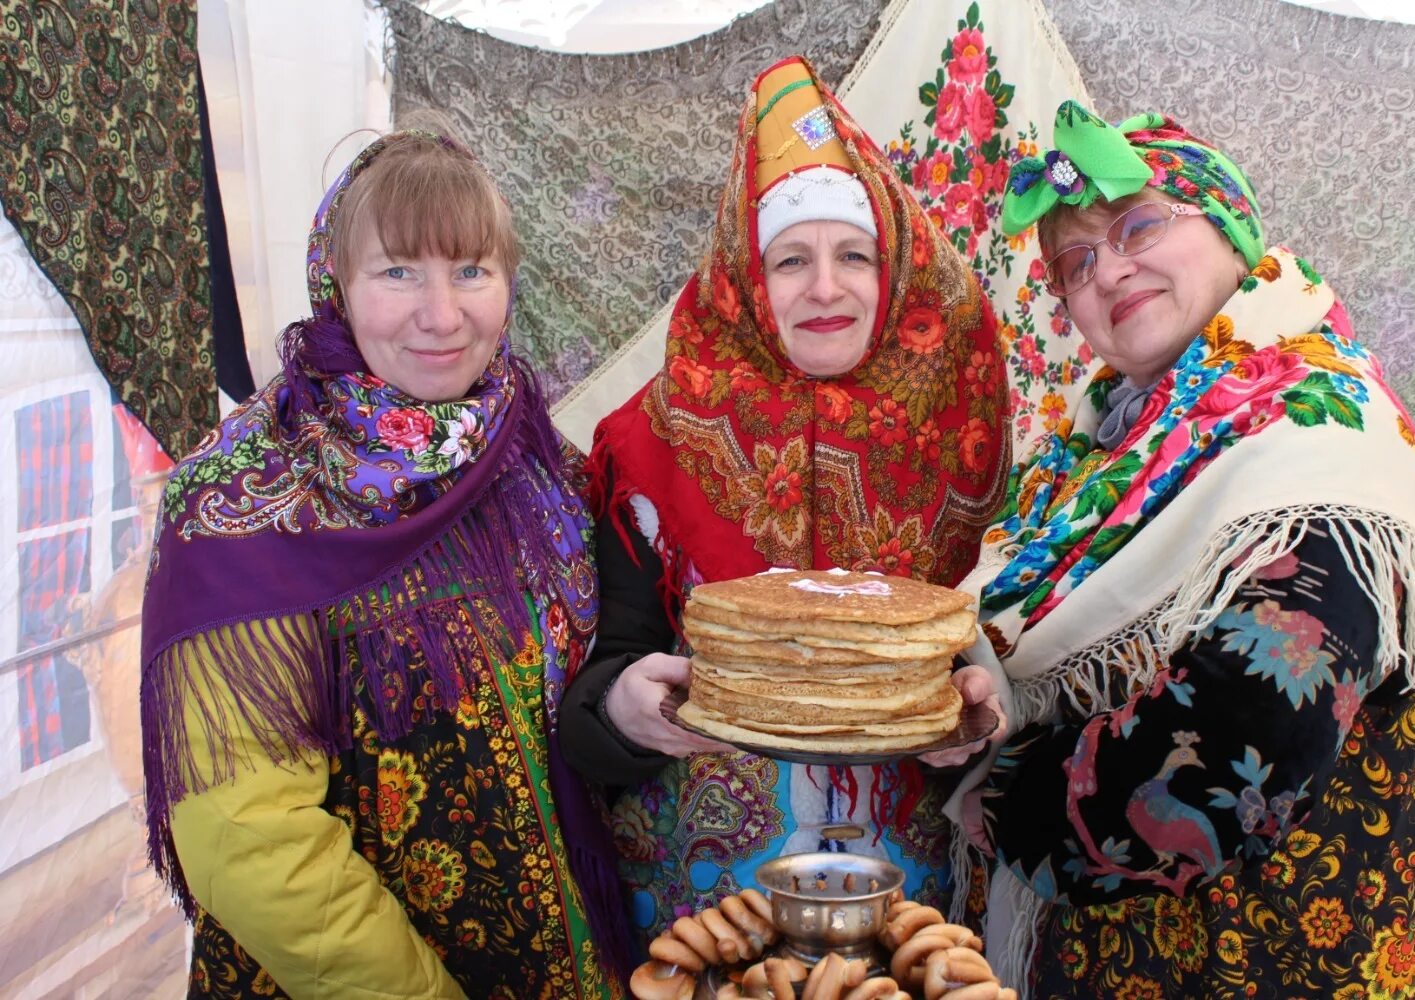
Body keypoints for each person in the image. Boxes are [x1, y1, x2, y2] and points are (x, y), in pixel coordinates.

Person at [951, 101, 1415, 998]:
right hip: (1112, 956)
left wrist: (986, 789)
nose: (1109, 269)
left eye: (1140, 223)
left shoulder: (1320, 434)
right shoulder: (1105, 456)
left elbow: (1243, 744)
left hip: (1269, 963)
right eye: (1076, 262)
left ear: (1228, 227)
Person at [140, 128, 625, 998]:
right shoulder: (247, 498)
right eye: (398, 271)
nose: (442, 315)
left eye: (470, 269)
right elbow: (250, 835)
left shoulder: (531, 454)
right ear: (336, 284)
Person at [558, 55, 1010, 946]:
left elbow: (994, 657)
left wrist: (978, 714)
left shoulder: (968, 437)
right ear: (743, 281)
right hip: (707, 912)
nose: (826, 288)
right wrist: (621, 710)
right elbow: (591, 698)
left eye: (854, 256)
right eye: (790, 260)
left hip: (912, 911)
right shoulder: (651, 445)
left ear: (900, 273)